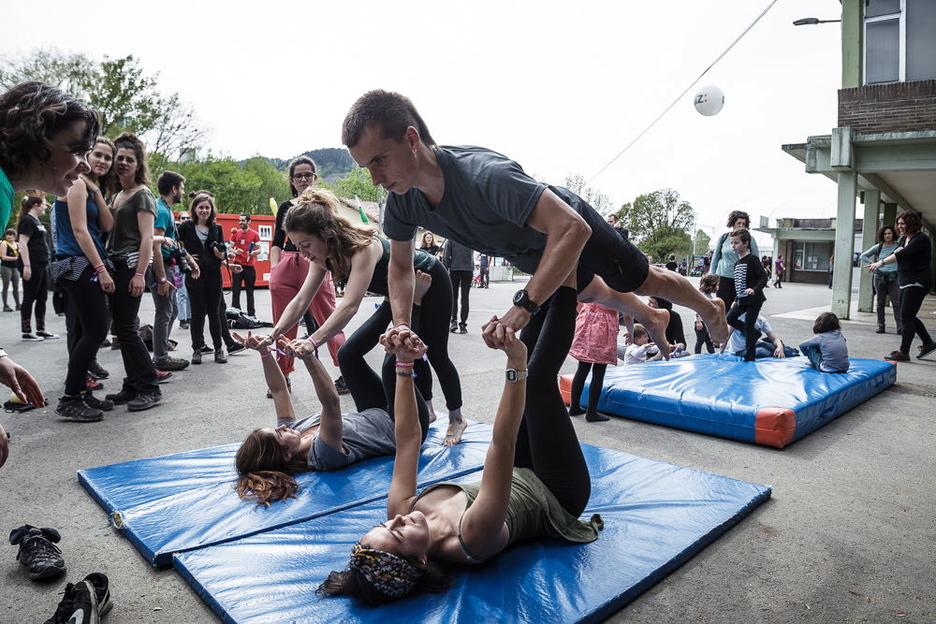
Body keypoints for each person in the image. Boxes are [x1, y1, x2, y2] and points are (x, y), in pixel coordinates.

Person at [341, 90, 728, 374]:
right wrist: (403, 322)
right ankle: (652, 319)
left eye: (380, 160)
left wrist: (524, 305)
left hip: (568, 226)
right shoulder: (402, 199)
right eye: (366, 168)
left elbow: (571, 229)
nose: (376, 177)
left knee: (642, 279)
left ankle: (709, 307)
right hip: (526, 250)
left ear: (411, 140)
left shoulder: (483, 176)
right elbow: (401, 267)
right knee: (592, 290)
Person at [318, 321, 602, 605]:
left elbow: (407, 439)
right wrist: (515, 363)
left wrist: (404, 363)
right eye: (400, 534)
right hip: (555, 492)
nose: (398, 519)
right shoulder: (471, 539)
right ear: (421, 560)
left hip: (518, 468)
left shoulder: (401, 510)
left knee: (528, 343)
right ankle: (564, 287)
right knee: (537, 377)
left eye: (386, 524)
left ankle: (549, 290)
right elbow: (503, 443)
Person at [268, 188, 467, 445]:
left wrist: (313, 341)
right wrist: (274, 334)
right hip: (393, 295)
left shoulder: (363, 247)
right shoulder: (322, 258)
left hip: (427, 282)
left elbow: (350, 305)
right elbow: (300, 300)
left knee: (430, 353)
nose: (303, 253)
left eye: (305, 245)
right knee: (348, 355)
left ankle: (456, 417)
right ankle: (378, 416)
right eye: (297, 247)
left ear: (325, 234)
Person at [234, 289, 432, 505]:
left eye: (277, 428)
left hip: (375, 410)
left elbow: (279, 390)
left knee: (347, 355)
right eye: (279, 434)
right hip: (405, 427)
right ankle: (416, 303)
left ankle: (389, 300)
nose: (282, 427)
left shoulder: (295, 432)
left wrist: (264, 352)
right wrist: (309, 357)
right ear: (286, 456)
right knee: (391, 363)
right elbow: (331, 403)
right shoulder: (322, 455)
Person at [49, 136, 117, 421]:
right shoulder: (75, 184)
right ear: (86, 155)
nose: (102, 161)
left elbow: (107, 224)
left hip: (81, 264)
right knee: (95, 331)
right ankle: (69, 398)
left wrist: (96, 190)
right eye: (97, 155)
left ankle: (81, 394)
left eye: (107, 157)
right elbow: (80, 231)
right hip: (78, 265)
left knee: (81, 332)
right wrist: (101, 269)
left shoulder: (87, 186)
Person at [270, 156, 347, 397]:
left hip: (316, 264)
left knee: (329, 318)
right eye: (298, 176)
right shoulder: (285, 206)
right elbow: (276, 243)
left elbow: (334, 239)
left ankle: (347, 371)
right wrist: (274, 270)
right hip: (286, 265)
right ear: (292, 180)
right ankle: (283, 375)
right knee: (283, 323)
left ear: (315, 177)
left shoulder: (324, 205)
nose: (303, 179)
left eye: (308, 175)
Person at [102, 132, 161, 412]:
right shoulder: (117, 195)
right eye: (119, 158)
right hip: (115, 267)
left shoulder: (143, 195)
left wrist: (140, 274)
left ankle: (149, 387)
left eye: (129, 159)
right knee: (122, 329)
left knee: (127, 328)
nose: (123, 163)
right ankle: (132, 383)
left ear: (138, 165)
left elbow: (147, 238)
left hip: (130, 267)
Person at [868, 210, 936, 362]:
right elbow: (899, 255)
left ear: (912, 223)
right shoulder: (903, 240)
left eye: (903, 223)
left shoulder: (921, 239)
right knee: (908, 316)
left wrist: (881, 262)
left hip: (918, 281)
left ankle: (904, 352)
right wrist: (898, 252)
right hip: (906, 281)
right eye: (898, 224)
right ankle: (928, 343)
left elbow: (901, 255)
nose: (899, 227)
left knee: (906, 316)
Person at [176, 190, 228, 364]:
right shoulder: (185, 227)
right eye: (201, 207)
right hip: (195, 275)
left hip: (214, 274)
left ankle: (219, 349)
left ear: (211, 209)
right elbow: (175, 244)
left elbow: (222, 249)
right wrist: (186, 256)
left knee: (214, 313)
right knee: (197, 314)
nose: (204, 211)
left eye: (207, 207)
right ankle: (196, 349)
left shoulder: (217, 228)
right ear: (195, 209)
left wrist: (221, 253)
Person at [150, 171, 193, 372]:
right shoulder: (162, 211)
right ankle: (160, 357)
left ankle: (161, 347)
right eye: (182, 188)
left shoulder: (164, 208)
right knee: (164, 311)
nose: (183, 192)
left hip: (169, 265)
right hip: (162, 267)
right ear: (174, 189)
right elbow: (155, 245)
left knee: (173, 310)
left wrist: (189, 261)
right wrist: (160, 278)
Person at [17, 194, 58, 341]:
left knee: (42, 297)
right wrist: (27, 265)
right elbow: (22, 243)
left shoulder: (37, 221)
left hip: (41, 264)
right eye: (44, 204)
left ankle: (41, 329)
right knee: (30, 297)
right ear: (36, 205)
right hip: (32, 264)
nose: (46, 207)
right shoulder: (27, 220)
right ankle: (26, 330)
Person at [568, 302, 617, 422]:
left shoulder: (594, 282)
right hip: (604, 324)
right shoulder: (616, 286)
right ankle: (591, 412)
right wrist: (631, 334)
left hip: (587, 319)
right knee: (599, 371)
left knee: (582, 368)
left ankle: (574, 407)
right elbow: (627, 312)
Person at [724, 228, 768, 363]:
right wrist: (736, 299)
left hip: (754, 300)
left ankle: (750, 356)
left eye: (736, 243)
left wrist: (754, 289)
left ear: (746, 243)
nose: (733, 246)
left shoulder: (752, 259)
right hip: (742, 300)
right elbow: (739, 284)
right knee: (730, 318)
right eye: (732, 243)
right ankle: (754, 334)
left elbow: (763, 277)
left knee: (749, 324)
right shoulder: (737, 263)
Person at [711, 211, 759, 309]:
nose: (741, 226)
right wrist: (711, 276)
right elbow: (715, 258)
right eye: (739, 223)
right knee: (722, 307)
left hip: (742, 279)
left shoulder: (750, 239)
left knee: (737, 308)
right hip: (723, 277)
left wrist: (755, 283)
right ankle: (723, 325)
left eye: (744, 224)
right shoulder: (723, 238)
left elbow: (755, 260)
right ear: (733, 223)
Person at [859, 225, 901, 334]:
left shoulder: (898, 246)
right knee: (880, 303)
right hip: (879, 277)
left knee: (896, 303)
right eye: (885, 233)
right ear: (882, 235)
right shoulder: (879, 247)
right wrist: (872, 264)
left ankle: (900, 327)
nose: (887, 235)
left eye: (889, 233)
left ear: (893, 234)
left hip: (894, 277)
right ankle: (881, 326)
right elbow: (863, 256)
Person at [721, 312, 797, 360]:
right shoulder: (739, 318)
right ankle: (778, 353)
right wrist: (720, 354)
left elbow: (774, 339)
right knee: (762, 352)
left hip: (756, 344)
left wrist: (780, 347)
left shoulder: (761, 320)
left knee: (785, 351)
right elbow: (726, 337)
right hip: (739, 350)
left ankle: (791, 350)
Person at [230, 213, 261, 318]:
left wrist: (253, 253)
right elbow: (230, 248)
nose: (240, 222)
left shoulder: (255, 234)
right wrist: (235, 251)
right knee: (236, 290)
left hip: (249, 266)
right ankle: (235, 313)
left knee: (250, 291)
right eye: (239, 220)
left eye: (243, 220)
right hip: (237, 264)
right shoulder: (235, 233)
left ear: (249, 222)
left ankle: (251, 315)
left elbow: (259, 250)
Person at [442, 238, 473, 334]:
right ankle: (463, 325)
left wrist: (445, 269)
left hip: (455, 269)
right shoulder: (470, 238)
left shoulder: (451, 239)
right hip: (468, 269)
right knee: (465, 298)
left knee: (454, 296)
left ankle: (453, 321)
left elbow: (446, 256)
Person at [175, 211, 192, 329]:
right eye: (182, 218)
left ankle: (190, 316)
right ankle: (182, 318)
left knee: (190, 292)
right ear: (179, 219)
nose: (185, 220)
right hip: (177, 266)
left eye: (187, 218)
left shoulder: (191, 232)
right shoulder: (175, 233)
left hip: (190, 265)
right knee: (181, 292)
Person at [694, 273, 718, 354]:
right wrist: (698, 322)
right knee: (700, 341)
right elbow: (697, 309)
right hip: (701, 323)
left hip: (707, 323)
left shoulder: (710, 297)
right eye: (717, 284)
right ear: (712, 286)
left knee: (709, 342)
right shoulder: (703, 296)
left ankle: (713, 355)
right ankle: (697, 355)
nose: (718, 287)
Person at [1, 229, 21, 311]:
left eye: (11, 235)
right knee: (6, 286)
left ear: (14, 236)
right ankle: (5, 305)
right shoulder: (4, 244)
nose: (9, 236)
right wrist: (16, 258)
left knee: (16, 286)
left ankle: (18, 304)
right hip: (6, 267)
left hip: (15, 267)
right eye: (7, 234)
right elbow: (3, 257)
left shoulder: (17, 244)